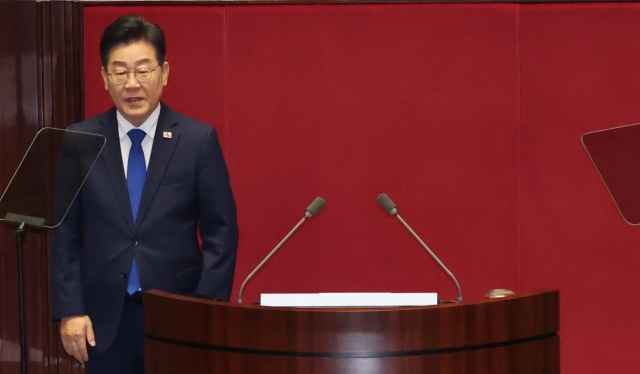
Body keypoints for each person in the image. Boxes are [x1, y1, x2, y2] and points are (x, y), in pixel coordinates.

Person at [50, 14, 239, 374]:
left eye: (143, 70)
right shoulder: (81, 140)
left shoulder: (198, 141)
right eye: (120, 72)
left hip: (178, 316)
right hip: (102, 321)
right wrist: (70, 310)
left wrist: (206, 309)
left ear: (164, 73)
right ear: (105, 78)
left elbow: (221, 231)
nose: (132, 83)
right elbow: (65, 234)